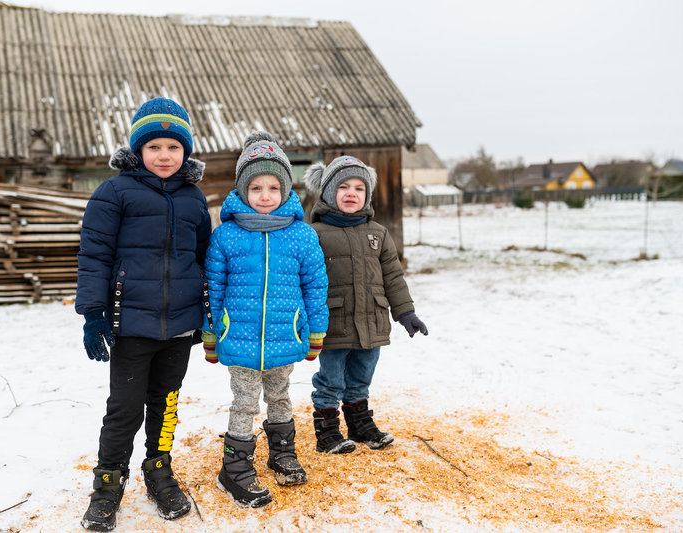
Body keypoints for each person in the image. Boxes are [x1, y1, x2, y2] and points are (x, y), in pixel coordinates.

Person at [75, 97, 211, 530]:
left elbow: (204, 258)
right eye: (154, 147)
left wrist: (206, 314)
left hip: (181, 326)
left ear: (186, 151)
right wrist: (93, 313)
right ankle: (108, 484)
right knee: (125, 408)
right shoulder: (114, 192)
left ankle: (159, 470)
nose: (164, 156)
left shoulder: (193, 198)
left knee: (166, 403)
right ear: (138, 151)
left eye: (174, 147)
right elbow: (94, 255)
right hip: (129, 323)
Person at [201, 131, 329, 508]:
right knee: (244, 402)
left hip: (284, 336)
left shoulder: (302, 236)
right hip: (238, 338)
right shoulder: (225, 235)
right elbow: (212, 287)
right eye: (256, 187)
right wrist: (211, 333)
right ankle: (235, 467)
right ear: (242, 190)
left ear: (286, 190)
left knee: (280, 395)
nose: (265, 195)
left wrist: (315, 330)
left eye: (273, 187)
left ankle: (282, 452)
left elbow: (316, 285)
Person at [304, 155, 429, 454]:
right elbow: (304, 280)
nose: (351, 193)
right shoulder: (314, 234)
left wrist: (405, 312)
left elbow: (393, 276)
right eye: (343, 186)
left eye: (359, 188)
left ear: (367, 194)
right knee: (331, 380)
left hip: (371, 321)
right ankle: (328, 431)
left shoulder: (378, 233)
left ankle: (360, 425)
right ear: (327, 191)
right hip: (332, 323)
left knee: (361, 378)